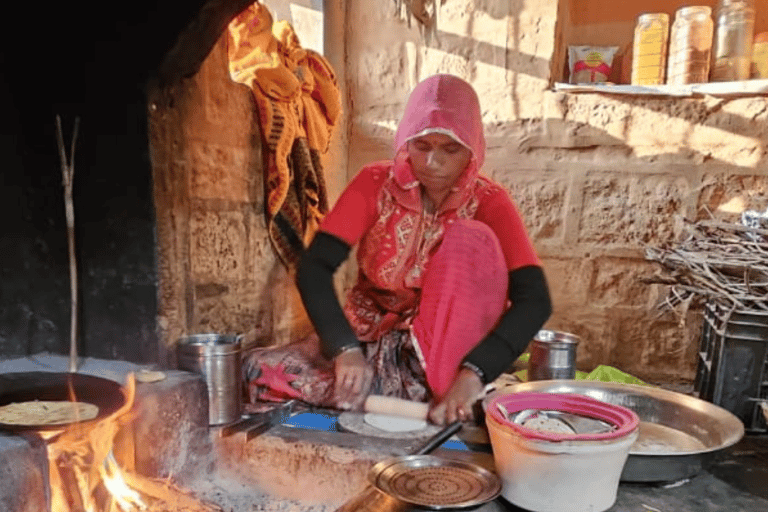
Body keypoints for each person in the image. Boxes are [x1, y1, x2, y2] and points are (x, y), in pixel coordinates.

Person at [243, 74, 552, 425]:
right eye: (422, 146)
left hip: (437, 351)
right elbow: (315, 267)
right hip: (366, 335)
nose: (434, 162)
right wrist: (343, 348)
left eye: (450, 149)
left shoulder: (489, 202)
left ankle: (444, 393)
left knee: (471, 239)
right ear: (406, 141)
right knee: (257, 369)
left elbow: (535, 300)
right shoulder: (376, 184)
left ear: (473, 148)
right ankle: (402, 399)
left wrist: (473, 375)